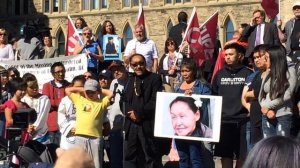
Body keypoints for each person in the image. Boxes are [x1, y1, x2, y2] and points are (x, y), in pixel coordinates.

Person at [212, 43, 252, 168]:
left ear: (240, 55)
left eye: (231, 54)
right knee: (226, 155)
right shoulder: (219, 74)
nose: (227, 57)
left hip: (243, 120)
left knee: (242, 155)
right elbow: (213, 95)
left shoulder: (248, 73)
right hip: (224, 121)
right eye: (226, 55)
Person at [123, 53, 162, 168]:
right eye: (134, 64)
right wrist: (130, 113)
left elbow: (155, 100)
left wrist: (139, 114)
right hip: (131, 125)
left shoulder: (154, 78)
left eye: (141, 63)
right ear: (131, 66)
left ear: (145, 64)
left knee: (149, 157)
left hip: (146, 124)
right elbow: (123, 100)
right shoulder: (129, 79)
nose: (138, 67)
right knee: (130, 157)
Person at [65, 79, 113, 168]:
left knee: (96, 164)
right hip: (80, 137)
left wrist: (99, 90)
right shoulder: (79, 99)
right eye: (88, 92)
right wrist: (82, 89)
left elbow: (110, 93)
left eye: (93, 92)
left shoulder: (101, 102)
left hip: (95, 138)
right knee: (80, 163)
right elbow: (67, 90)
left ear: (97, 92)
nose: (90, 94)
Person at [259, 46, 296, 138]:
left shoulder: (290, 72)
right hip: (266, 115)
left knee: (282, 147)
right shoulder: (268, 72)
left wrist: (268, 106)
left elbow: (287, 95)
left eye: (266, 58)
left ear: (275, 58)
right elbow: (261, 94)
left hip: (282, 115)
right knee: (268, 147)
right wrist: (265, 109)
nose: (264, 60)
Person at [169, 96, 214, 168]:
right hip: (180, 139)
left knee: (195, 158)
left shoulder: (204, 132)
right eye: (173, 117)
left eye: (182, 116)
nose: (178, 122)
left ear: (197, 115)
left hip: (195, 137)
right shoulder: (177, 134)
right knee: (183, 159)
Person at [241, 44, 269, 147]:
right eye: (255, 58)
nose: (256, 60)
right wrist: (255, 93)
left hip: (267, 117)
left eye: (259, 57)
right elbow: (246, 95)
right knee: (256, 149)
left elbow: (260, 92)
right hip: (255, 117)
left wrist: (255, 93)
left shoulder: (273, 73)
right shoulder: (257, 75)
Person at [42, 62, 70, 146]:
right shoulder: (47, 86)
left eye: (62, 71)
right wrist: (63, 103)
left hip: (66, 123)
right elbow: (47, 103)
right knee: (53, 150)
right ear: (53, 74)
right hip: (52, 123)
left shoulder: (69, 85)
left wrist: (54, 102)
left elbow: (70, 104)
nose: (61, 74)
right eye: (58, 72)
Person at [107, 60, 128, 168]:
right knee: (115, 157)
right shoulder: (113, 82)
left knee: (127, 156)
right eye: (113, 70)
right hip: (114, 125)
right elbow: (111, 102)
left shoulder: (131, 81)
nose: (116, 72)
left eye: (118, 69)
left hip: (127, 126)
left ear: (124, 67)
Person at [57, 75, 86, 149]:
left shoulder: (89, 99)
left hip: (84, 132)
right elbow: (61, 116)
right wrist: (69, 129)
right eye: (76, 87)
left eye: (81, 87)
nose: (78, 89)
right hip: (69, 133)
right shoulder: (66, 100)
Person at [22, 73, 51, 144]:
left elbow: (42, 116)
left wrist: (33, 128)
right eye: (32, 87)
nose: (35, 88)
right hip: (25, 135)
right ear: (25, 88)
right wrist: (26, 129)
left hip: (41, 135)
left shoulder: (44, 99)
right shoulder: (22, 99)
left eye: (36, 86)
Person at [3, 78, 31, 144]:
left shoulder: (25, 105)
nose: (23, 92)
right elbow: (9, 120)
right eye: (21, 90)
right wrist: (25, 124)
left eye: (24, 89)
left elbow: (29, 119)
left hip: (24, 134)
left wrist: (30, 126)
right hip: (13, 134)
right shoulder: (9, 104)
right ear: (14, 90)